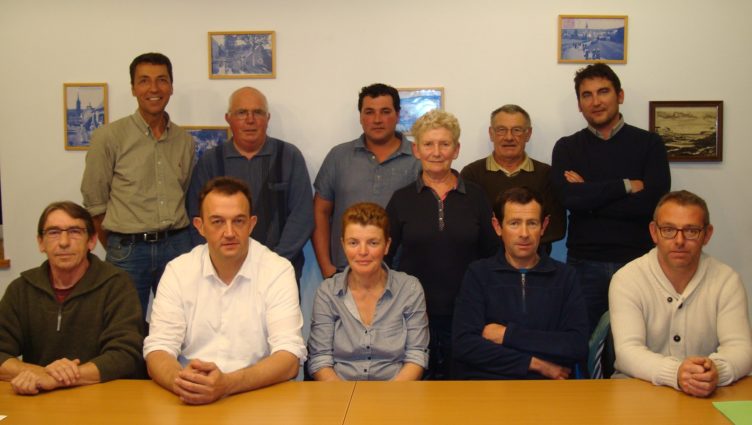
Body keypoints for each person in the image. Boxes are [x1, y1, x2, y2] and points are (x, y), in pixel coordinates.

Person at [143, 177, 306, 405]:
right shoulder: (178, 271)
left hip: (257, 397)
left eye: (238, 221)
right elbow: (158, 348)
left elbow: (289, 357)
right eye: (217, 222)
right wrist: (184, 384)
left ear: (251, 224)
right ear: (200, 226)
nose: (229, 232)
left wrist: (227, 384)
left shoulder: (277, 270)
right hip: (189, 398)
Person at [551, 62, 671, 331]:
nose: (596, 102)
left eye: (603, 91)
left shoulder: (650, 144)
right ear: (579, 104)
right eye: (587, 95)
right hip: (584, 264)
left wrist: (589, 194)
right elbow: (569, 199)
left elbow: (651, 204)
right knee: (582, 339)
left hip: (638, 261)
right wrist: (625, 186)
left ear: (620, 96)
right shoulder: (567, 147)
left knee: (640, 337)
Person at [81, 52, 194, 320]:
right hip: (128, 250)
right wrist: (118, 244)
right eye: (144, 81)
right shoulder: (108, 137)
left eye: (162, 80)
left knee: (182, 324)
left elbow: (185, 192)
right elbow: (95, 202)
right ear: (133, 88)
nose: (154, 88)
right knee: (124, 325)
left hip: (177, 247)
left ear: (171, 87)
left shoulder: (184, 140)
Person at [386, 110, 499, 379]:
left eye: (444, 144)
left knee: (461, 387)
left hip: (467, 313)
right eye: (428, 144)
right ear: (416, 150)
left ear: (456, 150)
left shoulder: (476, 196)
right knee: (417, 388)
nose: (436, 152)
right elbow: (385, 256)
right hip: (413, 314)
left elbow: (492, 254)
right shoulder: (402, 199)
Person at [609, 190, 752, 397]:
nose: (679, 240)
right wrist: (676, 373)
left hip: (708, 391)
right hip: (639, 391)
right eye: (668, 230)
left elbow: (741, 348)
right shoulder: (627, 279)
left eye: (691, 231)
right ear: (654, 232)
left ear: (707, 234)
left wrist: (716, 371)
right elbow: (627, 352)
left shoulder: (727, 280)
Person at [0, 202, 144, 395]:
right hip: (40, 397)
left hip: (103, 395)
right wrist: (42, 375)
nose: (64, 242)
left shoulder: (117, 285)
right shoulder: (21, 289)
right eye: (53, 232)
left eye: (74, 231)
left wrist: (56, 379)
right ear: (41, 243)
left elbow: (125, 354)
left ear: (91, 241)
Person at [453, 187, 589, 380]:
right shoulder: (479, 274)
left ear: (544, 226)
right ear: (497, 226)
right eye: (514, 223)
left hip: (548, 388)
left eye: (532, 223)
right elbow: (465, 345)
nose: (524, 233)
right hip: (490, 385)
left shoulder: (565, 277)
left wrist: (507, 335)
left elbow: (576, 345)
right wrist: (536, 364)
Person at [187, 87, 313, 280]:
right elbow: (197, 215)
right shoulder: (210, 162)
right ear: (228, 118)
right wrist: (222, 261)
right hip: (224, 272)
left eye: (258, 112)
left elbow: (302, 216)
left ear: (268, 118)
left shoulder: (289, 156)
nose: (250, 120)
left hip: (280, 270)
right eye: (241, 112)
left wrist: (274, 263)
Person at [308, 202, 429, 381]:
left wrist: (390, 396)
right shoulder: (327, 292)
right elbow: (320, 359)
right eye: (353, 243)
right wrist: (344, 396)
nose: (362, 251)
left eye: (373, 243)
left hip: (396, 391)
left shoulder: (409, 289)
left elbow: (416, 355)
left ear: (387, 245)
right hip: (339, 391)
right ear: (343, 245)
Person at [313, 83, 420, 278]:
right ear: (361, 117)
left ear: (398, 115)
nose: (377, 120)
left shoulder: (418, 158)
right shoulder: (339, 156)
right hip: (344, 272)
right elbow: (320, 211)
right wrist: (326, 268)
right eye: (369, 112)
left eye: (385, 112)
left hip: (400, 275)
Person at [461, 104, 565, 251]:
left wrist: (520, 249)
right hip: (487, 261)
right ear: (491, 133)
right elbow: (467, 226)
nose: (509, 137)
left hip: (535, 260)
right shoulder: (472, 174)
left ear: (528, 134)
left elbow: (556, 227)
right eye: (501, 130)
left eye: (517, 130)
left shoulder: (546, 174)